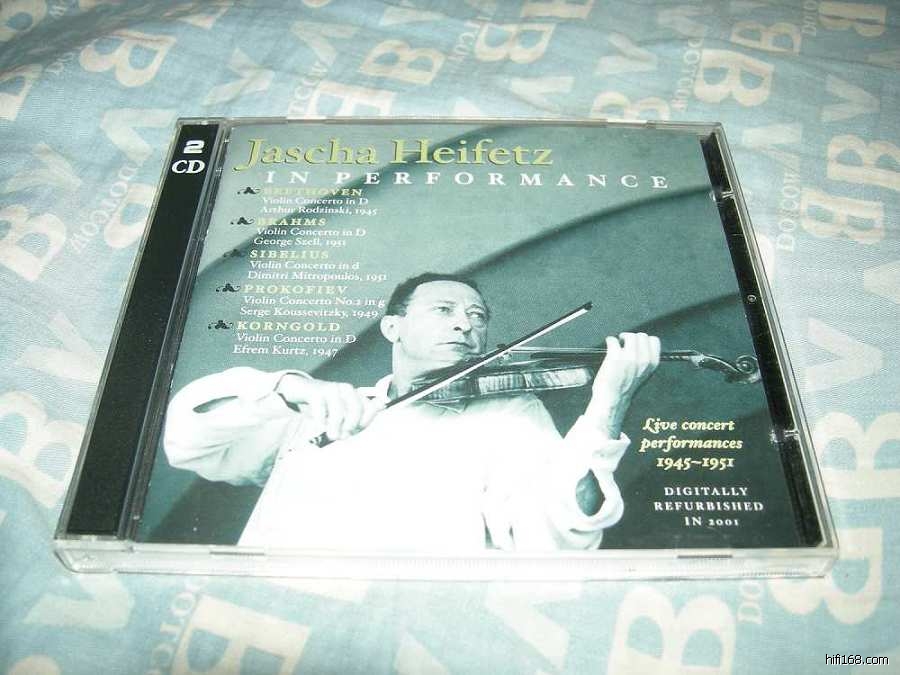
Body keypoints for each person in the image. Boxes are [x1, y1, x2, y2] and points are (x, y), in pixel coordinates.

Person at [163, 273, 660, 552]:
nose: (465, 325)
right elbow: (188, 440)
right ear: (392, 328)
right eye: (444, 310)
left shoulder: (510, 415)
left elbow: (555, 537)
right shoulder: (320, 408)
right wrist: (284, 389)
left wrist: (607, 406)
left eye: (478, 317)